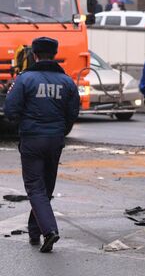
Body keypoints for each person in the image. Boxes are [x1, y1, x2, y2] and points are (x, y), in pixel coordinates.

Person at [4, 37, 80, 253]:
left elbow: (10, 111)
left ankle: (49, 231)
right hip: (55, 140)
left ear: (34, 55)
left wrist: (23, 123)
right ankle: (34, 231)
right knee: (45, 187)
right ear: (54, 55)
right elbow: (73, 113)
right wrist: (61, 130)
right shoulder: (67, 82)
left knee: (35, 188)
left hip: (31, 139)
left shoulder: (25, 79)